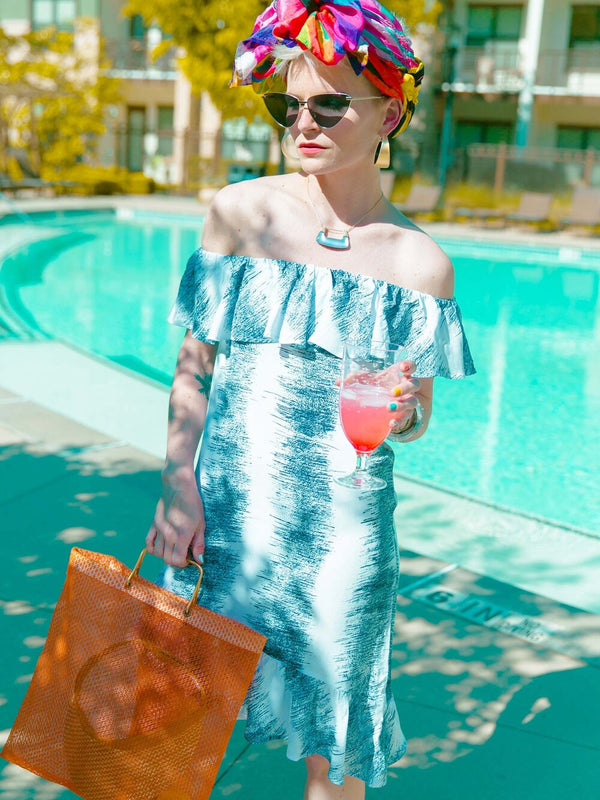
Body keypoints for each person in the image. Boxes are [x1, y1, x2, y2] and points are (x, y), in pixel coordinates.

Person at [146, 1, 475, 797]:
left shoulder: (420, 264)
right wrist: (179, 487)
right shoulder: (240, 215)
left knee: (338, 739)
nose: (303, 122)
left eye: (329, 105)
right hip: (230, 513)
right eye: (287, 104)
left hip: (346, 532)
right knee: (171, 725)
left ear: (388, 114)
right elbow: (193, 369)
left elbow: (416, 418)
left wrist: (405, 410)